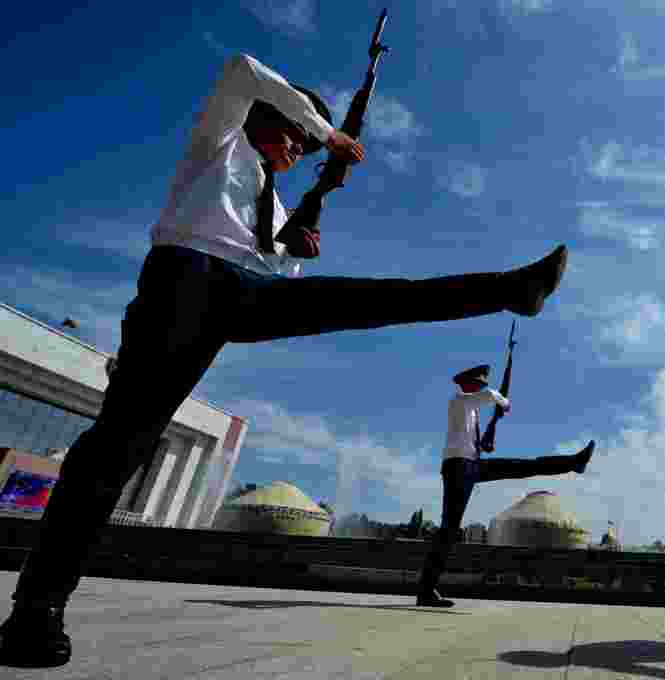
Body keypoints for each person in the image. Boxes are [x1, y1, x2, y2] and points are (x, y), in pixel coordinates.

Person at [0, 53, 569, 669]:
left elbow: (278, 265)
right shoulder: (217, 144)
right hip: (183, 283)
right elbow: (242, 69)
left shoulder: (272, 201)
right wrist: (331, 134)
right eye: (296, 132)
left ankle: (511, 289)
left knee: (378, 298)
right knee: (116, 449)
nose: (300, 147)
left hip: (243, 294)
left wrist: (300, 235)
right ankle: (37, 608)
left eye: (307, 140)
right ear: (267, 119)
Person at [416, 364, 596, 607]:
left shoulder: (471, 410)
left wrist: (484, 443)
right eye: (478, 384)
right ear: (466, 384)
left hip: (472, 464)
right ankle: (426, 591)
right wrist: (504, 403)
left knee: (524, 466)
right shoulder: (459, 401)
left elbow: (470, 440)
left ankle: (574, 462)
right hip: (458, 468)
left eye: (481, 384)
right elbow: (492, 397)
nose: (481, 387)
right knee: (448, 530)